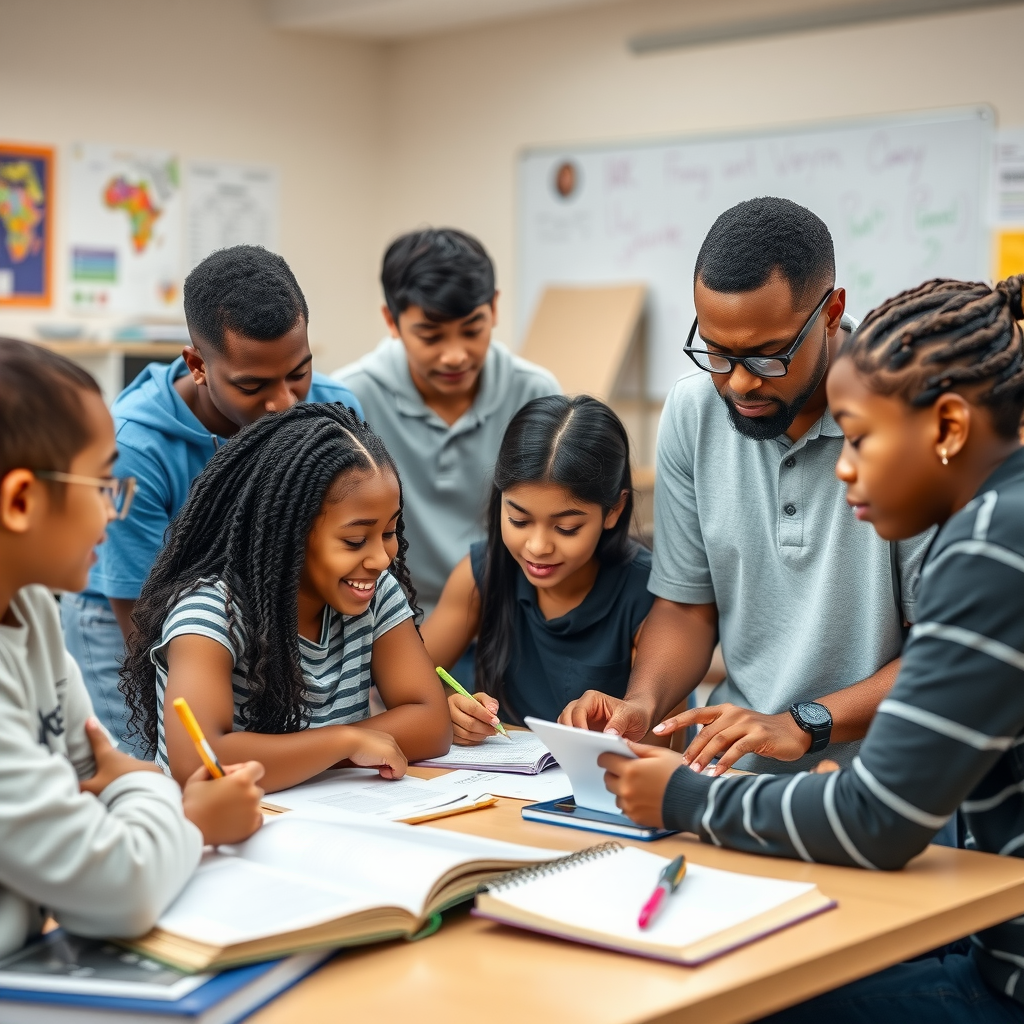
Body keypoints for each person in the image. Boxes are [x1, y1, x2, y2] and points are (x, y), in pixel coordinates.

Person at [602, 276, 1024, 1023]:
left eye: (860, 438)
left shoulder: (993, 546)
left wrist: (683, 798)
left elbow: (879, 820)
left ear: (950, 427)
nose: (844, 466)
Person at [563, 198, 931, 775]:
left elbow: (948, 651)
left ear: (832, 312)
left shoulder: (913, 417)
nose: (738, 383)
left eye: (767, 355)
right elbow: (686, 607)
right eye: (717, 351)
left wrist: (803, 723)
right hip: (733, 775)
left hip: (883, 784)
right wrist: (643, 703)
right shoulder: (692, 411)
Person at [0, 339, 264, 959]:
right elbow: (115, 886)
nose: (113, 512)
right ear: (21, 502)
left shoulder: (31, 608)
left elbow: (92, 774)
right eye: (101, 485)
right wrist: (192, 818)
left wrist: (127, 794)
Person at [62, 245, 362, 756]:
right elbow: (140, 616)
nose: (283, 403)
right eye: (253, 384)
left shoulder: (333, 415)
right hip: (126, 613)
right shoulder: (135, 447)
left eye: (298, 373)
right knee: (160, 762)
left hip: (248, 608)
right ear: (198, 365)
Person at [120, 403, 453, 794]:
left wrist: (321, 753)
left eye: (389, 532)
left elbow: (431, 723)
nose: (380, 559)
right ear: (287, 536)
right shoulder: (211, 613)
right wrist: (344, 743)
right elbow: (200, 762)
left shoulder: (375, 591)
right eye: (354, 540)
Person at [333, 228, 560, 633]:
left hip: (508, 615)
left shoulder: (535, 393)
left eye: (472, 330)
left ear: (495, 308)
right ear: (391, 321)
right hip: (385, 619)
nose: (455, 355)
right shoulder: (350, 399)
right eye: (431, 336)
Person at [422, 395, 653, 742]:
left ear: (614, 511)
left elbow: (662, 747)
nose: (538, 546)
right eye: (519, 520)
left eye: (567, 528)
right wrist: (449, 710)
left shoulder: (648, 593)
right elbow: (405, 687)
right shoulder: (481, 573)